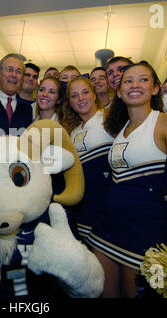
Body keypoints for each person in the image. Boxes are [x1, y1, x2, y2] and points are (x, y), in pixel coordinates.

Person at [87, 62, 167, 298]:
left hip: (146, 234)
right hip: (105, 230)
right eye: (128, 81)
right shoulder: (120, 130)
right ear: (118, 91)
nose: (135, 85)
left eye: (143, 80)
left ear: (156, 89)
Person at [105, 56, 167, 187]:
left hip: (161, 186)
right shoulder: (112, 114)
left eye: (122, 69)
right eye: (110, 73)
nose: (115, 75)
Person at [59, 77, 114, 242]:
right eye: (74, 96)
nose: (81, 98)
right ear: (69, 102)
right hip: (82, 205)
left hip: (107, 204)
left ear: (94, 95)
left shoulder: (108, 118)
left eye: (85, 92)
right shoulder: (73, 132)